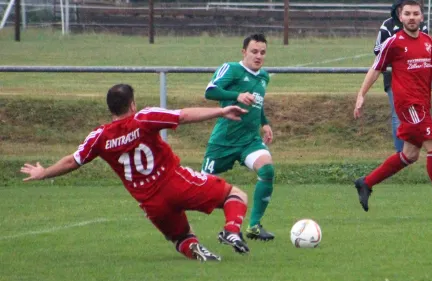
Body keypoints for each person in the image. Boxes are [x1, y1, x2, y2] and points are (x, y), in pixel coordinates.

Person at [20, 84, 251, 262]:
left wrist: (44, 173)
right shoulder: (144, 118)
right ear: (132, 104)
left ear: (111, 108)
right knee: (236, 195)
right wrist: (221, 111)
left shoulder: (100, 137)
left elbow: (73, 161)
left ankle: (198, 253)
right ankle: (231, 231)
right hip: (174, 182)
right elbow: (182, 116)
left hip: (151, 203)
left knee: (181, 236)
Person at [353, 0, 432, 217]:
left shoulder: (428, 42)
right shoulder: (393, 42)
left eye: (415, 14)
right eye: (407, 14)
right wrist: (361, 94)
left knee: (409, 155)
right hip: (409, 105)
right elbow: (376, 68)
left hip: (423, 105)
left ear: (422, 17)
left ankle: (366, 182)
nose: (411, 17)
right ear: (400, 17)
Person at [202, 33, 276, 241]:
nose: (258, 56)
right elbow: (210, 91)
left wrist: (265, 123)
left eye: (262, 52)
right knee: (201, 190)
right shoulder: (232, 69)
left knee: (267, 170)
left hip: (249, 140)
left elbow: (257, 103)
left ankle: (253, 226)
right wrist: (236, 96)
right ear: (244, 52)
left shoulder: (264, 76)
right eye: (254, 51)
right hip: (224, 140)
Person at [374, 0, 429, 153]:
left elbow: (425, 49)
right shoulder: (387, 26)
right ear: (397, 10)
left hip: (417, 78)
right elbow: (377, 50)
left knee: (420, 114)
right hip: (393, 78)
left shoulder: (422, 26)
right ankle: (400, 153)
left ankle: (413, 151)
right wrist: (397, 54)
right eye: (402, 9)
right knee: (397, 117)